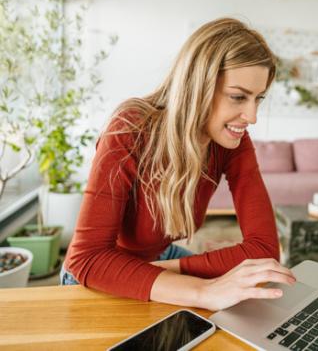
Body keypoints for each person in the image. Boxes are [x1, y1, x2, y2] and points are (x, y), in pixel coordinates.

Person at [61, 17, 296, 311]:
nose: (251, 116)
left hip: (161, 259)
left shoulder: (232, 142)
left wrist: (165, 271)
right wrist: (201, 291)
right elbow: (88, 258)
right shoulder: (130, 129)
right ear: (197, 86)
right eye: (238, 97)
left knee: (254, 289)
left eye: (258, 99)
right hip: (96, 277)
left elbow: (263, 250)